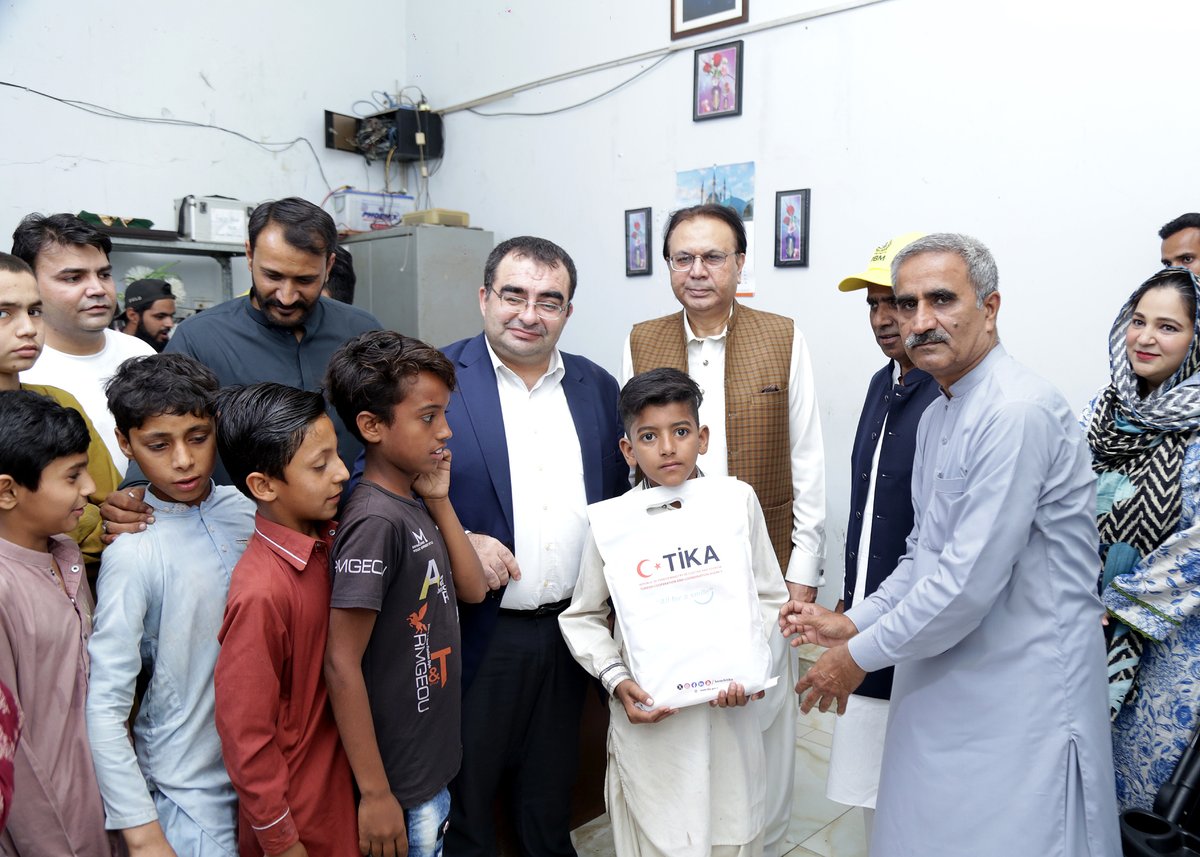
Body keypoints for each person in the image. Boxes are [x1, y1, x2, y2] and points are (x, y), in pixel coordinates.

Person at [781, 233, 1120, 857]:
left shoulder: (1016, 411)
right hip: (946, 673)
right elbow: (923, 554)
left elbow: (965, 583)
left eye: (941, 299)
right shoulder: (939, 411)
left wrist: (857, 656)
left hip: (1022, 685)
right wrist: (854, 621)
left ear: (990, 308)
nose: (918, 321)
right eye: (906, 304)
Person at [622, 203, 825, 855]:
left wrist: (802, 571)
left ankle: (763, 841)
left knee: (764, 715)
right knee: (692, 717)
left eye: (713, 256)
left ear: (740, 263)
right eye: (683, 257)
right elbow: (630, 457)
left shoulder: (782, 336)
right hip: (673, 567)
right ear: (668, 266)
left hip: (763, 567)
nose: (698, 270)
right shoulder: (640, 340)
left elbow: (807, 458)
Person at [441, 236, 628, 857]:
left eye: (549, 301)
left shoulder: (597, 387)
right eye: (513, 295)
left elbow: (620, 496)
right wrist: (460, 539)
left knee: (551, 794)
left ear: (568, 311)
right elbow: (375, 487)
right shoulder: (434, 379)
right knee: (468, 799)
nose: (529, 314)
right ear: (484, 297)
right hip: (477, 630)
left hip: (571, 633)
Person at [559, 368, 787, 857]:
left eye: (680, 431)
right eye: (649, 436)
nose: (667, 448)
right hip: (653, 720)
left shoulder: (736, 502)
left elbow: (769, 594)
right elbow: (582, 616)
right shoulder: (613, 524)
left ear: (702, 438)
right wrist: (618, 679)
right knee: (659, 836)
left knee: (732, 829)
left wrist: (748, 665)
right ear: (628, 449)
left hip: (726, 714)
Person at [103, 198, 381, 541]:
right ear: (249, 255)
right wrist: (135, 489)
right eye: (272, 276)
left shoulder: (362, 332)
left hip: (355, 533)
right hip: (241, 539)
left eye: (305, 280)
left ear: (329, 265)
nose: (287, 296)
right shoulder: (200, 338)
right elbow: (157, 419)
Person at [324, 331, 488, 857]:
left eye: (444, 414)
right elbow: (340, 663)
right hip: (398, 786)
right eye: (427, 417)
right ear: (371, 426)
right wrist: (375, 794)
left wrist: (438, 499)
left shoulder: (410, 500)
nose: (446, 430)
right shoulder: (374, 520)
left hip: (428, 767)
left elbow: (473, 589)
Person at [86, 353, 254, 855]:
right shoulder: (133, 547)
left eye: (198, 438)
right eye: (159, 445)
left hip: (271, 776)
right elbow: (107, 701)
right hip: (188, 793)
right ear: (126, 443)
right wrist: (141, 831)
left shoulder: (249, 510)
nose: (183, 460)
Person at [825, 232, 939, 845]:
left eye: (894, 301)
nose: (883, 318)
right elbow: (868, 510)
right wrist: (852, 598)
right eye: (873, 304)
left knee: (917, 785)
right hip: (869, 610)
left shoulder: (946, 392)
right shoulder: (881, 384)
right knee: (870, 785)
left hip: (921, 620)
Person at [213, 383, 357, 857]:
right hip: (304, 818)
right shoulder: (261, 592)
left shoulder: (334, 541)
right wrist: (279, 839)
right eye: (319, 465)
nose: (341, 472)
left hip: (344, 794)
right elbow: (246, 735)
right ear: (263, 486)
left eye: (337, 455)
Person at [1085, 267, 1200, 811]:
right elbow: (1051, 505)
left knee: (1139, 795)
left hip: (1169, 643)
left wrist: (1120, 601)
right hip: (1076, 618)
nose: (1146, 337)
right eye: (1138, 321)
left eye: (1168, 327)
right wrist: (1072, 588)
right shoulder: (1099, 411)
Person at [0, 390, 110, 855]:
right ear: (8, 491)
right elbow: (8, 748)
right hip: (48, 834)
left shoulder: (64, 554)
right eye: (72, 475)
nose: (89, 487)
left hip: (101, 810)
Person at [12, 212, 155, 475]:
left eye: (104, 274)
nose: (97, 289)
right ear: (29, 282)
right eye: (73, 278)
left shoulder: (140, 354)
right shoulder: (19, 369)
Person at [0, 252, 119, 564]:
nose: (28, 328)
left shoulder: (57, 402)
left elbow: (112, 506)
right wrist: (78, 521)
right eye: (3, 313)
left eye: (35, 311)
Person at [120, 279, 176, 352]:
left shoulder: (170, 350)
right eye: (160, 316)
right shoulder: (111, 349)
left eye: (171, 316)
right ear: (132, 315)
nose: (170, 324)